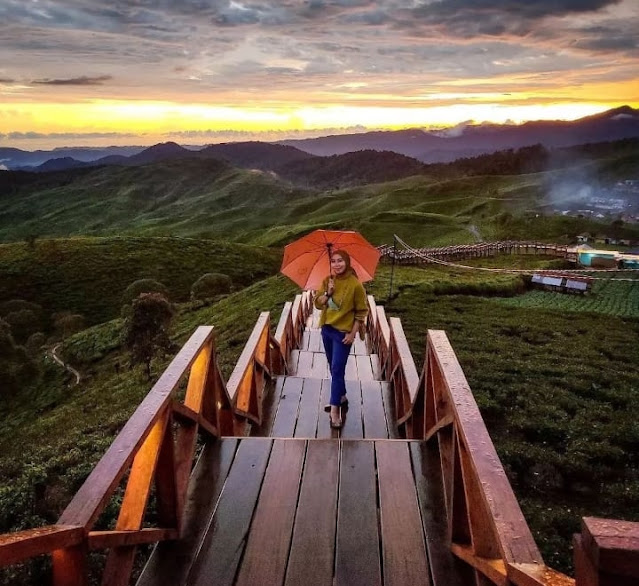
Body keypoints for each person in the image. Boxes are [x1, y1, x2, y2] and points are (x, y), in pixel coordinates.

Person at [314, 250, 368, 429]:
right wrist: (328, 293)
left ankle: (335, 409)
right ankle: (341, 395)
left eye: (340, 261)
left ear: (347, 262)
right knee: (333, 366)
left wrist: (352, 334)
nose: (336, 264)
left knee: (337, 369)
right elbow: (317, 303)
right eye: (333, 261)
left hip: (343, 334)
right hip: (327, 329)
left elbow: (361, 312)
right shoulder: (328, 281)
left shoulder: (356, 285)